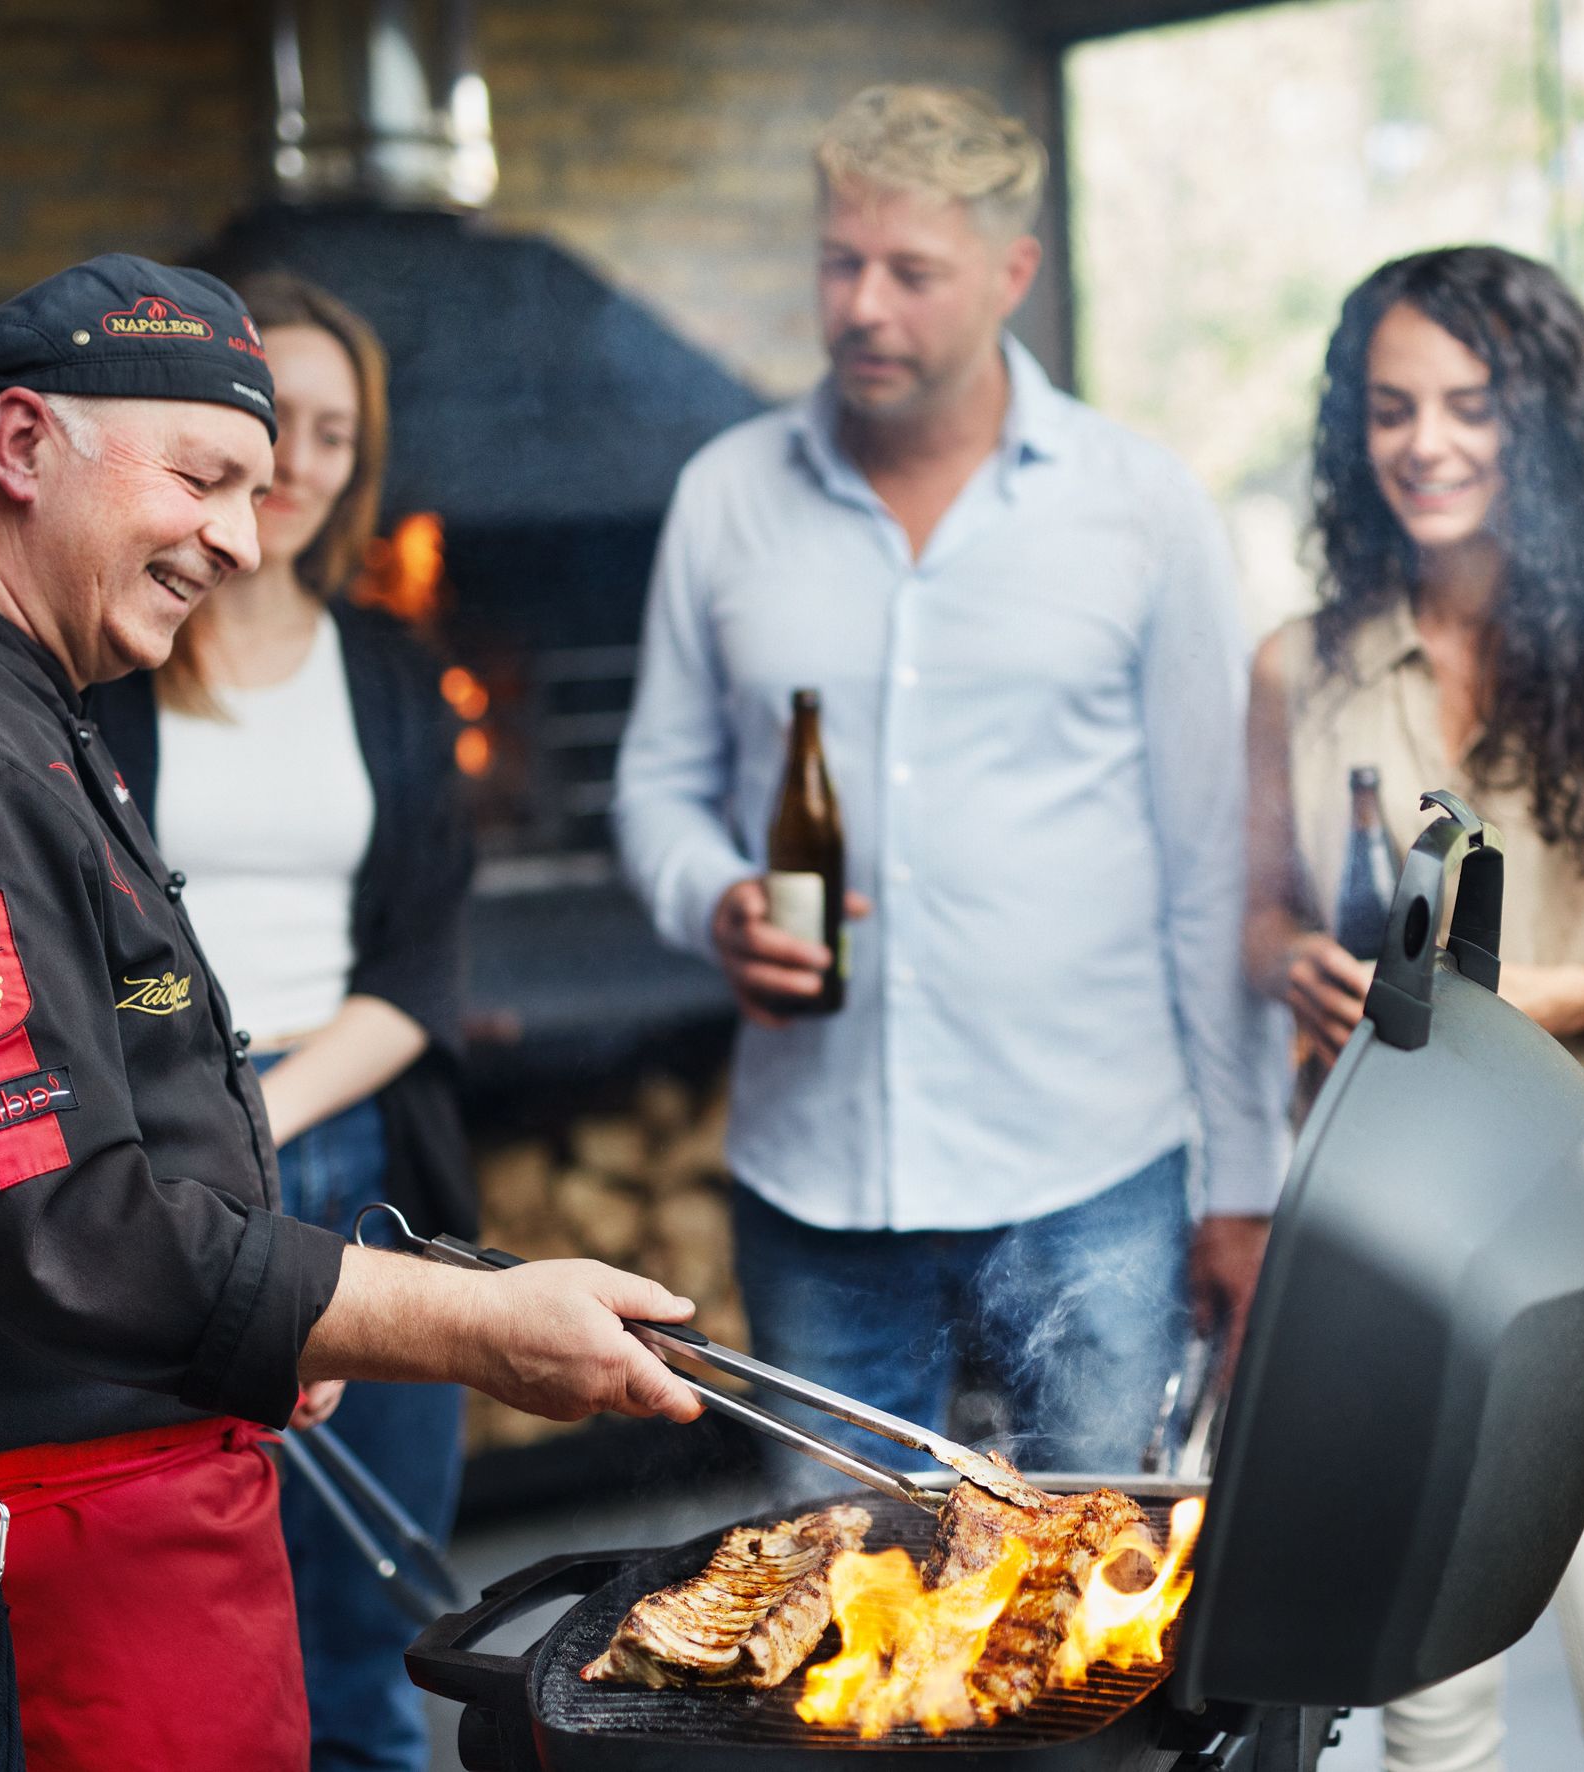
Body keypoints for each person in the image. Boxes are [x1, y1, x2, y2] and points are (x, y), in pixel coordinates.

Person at [0, 254, 700, 1772]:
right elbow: (66, 1226)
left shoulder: (19, 689)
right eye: (205, 477)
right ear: (27, 445)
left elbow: (104, 1075)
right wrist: (469, 1326)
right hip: (35, 1559)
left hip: (121, 1490)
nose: (243, 539)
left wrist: (260, 1317)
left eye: (262, 487)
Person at [613, 85, 1284, 1479]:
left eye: (910, 272)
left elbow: (1214, 868)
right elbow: (656, 793)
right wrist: (715, 898)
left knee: (1089, 1618)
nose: (863, 306)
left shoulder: (1140, 506)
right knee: (833, 1622)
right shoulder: (725, 498)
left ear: (1010, 274)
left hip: (1092, 1172)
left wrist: (1243, 1187)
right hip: (815, 1181)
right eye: (837, 263)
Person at [1244, 246, 1584, 1772]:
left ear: (1538, 424)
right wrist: (1284, 953)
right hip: (1381, 1251)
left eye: (1471, 406)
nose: (1425, 442)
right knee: (1429, 1731)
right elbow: (1252, 913)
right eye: (1390, 408)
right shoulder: (1299, 665)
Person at [87, 270, 471, 1772]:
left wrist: (268, 1110)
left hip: (359, 1153)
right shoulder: (101, 666)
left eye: (331, 432)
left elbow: (420, 977)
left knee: (371, 1638)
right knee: (170, 1630)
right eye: (265, 422)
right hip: (147, 1165)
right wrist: (210, 1128)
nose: (297, 463)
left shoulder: (392, 676)